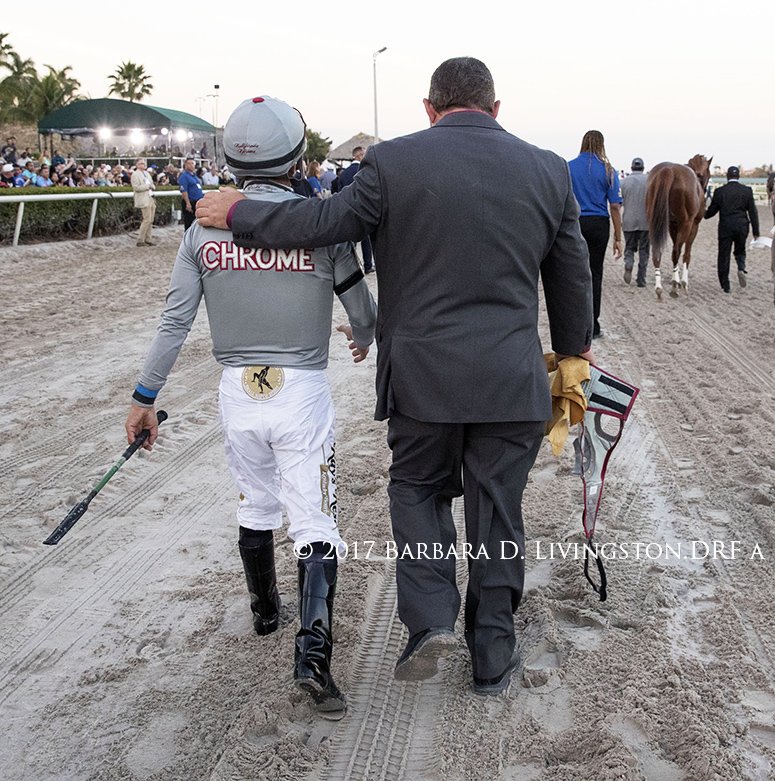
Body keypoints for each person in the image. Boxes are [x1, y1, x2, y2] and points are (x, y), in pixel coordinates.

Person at [197, 58, 593, 696]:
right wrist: (574, 358)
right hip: (508, 378)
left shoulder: (392, 162)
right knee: (498, 510)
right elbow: (572, 275)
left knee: (417, 490)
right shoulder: (547, 169)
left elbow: (322, 224)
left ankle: (430, 621)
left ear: (429, 109)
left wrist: (241, 211)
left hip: (422, 378)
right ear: (496, 108)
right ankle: (492, 656)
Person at [126, 95, 377, 719]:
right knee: (315, 521)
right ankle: (312, 657)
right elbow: (363, 314)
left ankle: (265, 612)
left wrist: (145, 397)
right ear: (295, 158)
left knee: (256, 502)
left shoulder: (201, 230)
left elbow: (175, 321)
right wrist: (364, 337)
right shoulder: (320, 226)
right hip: (302, 391)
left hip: (237, 391)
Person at [568, 130, 623, 338]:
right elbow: (615, 206)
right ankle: (593, 325)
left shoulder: (569, 167)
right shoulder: (608, 170)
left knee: (574, 274)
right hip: (599, 224)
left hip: (576, 223)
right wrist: (618, 237)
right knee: (595, 273)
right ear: (601, 145)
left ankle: (574, 323)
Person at [704, 165, 760, 291]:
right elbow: (753, 212)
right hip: (742, 226)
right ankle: (741, 268)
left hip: (726, 227)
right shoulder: (747, 190)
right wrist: (756, 231)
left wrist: (704, 213)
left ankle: (726, 285)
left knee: (724, 255)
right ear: (738, 176)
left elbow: (712, 211)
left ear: (727, 176)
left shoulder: (720, 191)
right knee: (740, 250)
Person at [337, 147, 374, 273]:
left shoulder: (344, 174)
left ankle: (350, 268)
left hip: (347, 210)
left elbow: (338, 192)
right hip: (363, 210)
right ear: (360, 155)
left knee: (350, 241)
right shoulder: (365, 170)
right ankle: (368, 265)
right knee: (366, 241)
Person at [620, 157, 650, 287]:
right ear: (643, 168)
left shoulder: (624, 182)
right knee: (644, 250)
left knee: (629, 247)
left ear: (632, 167)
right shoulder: (650, 181)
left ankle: (629, 262)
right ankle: (641, 279)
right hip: (646, 222)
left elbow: (619, 202)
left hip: (629, 220)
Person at [131, 158, 157, 247]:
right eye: (141, 163)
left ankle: (148, 239)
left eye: (144, 163)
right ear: (137, 165)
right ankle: (140, 239)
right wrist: (147, 186)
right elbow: (136, 188)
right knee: (147, 219)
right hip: (143, 199)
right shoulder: (135, 174)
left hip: (151, 197)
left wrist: (152, 186)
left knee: (151, 220)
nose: (143, 164)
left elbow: (152, 184)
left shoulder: (147, 174)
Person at [178, 157, 204, 230]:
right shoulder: (184, 176)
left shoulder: (194, 176)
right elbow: (184, 190)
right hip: (190, 202)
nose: (191, 165)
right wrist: (188, 203)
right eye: (189, 163)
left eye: (192, 163)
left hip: (197, 202)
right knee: (189, 224)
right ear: (185, 165)